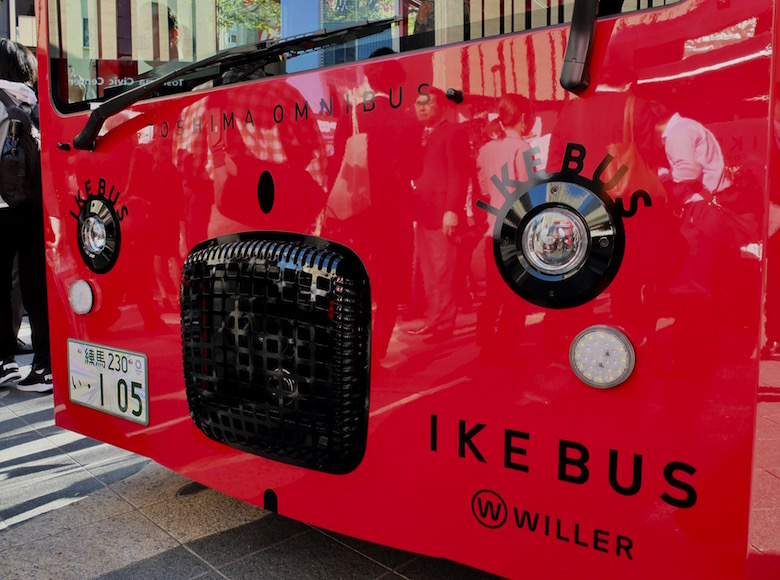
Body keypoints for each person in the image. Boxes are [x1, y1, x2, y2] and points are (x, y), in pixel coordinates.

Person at [0, 38, 51, 392]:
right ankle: (44, 367)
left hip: (1, 206)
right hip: (35, 203)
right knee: (35, 287)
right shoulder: (36, 99)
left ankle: (4, 362)